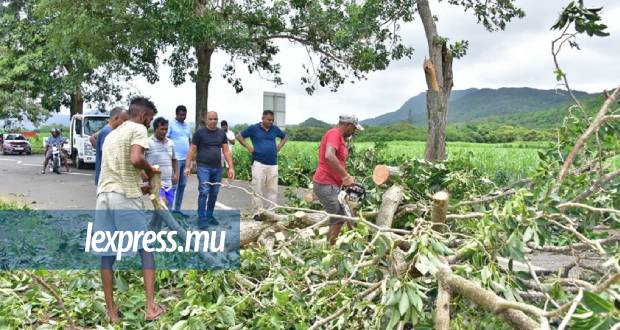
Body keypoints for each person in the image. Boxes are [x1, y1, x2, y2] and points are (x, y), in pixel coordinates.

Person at [94, 96, 165, 323]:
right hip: (124, 197)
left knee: (107, 253)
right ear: (143, 116)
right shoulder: (138, 129)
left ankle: (111, 312)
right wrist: (151, 169)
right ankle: (151, 308)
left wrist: (142, 183)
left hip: (104, 197)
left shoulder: (112, 134)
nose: (148, 124)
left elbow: (122, 168)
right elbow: (136, 159)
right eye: (149, 120)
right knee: (146, 247)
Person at [312, 115, 363, 245]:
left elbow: (337, 161)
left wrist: (346, 176)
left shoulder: (339, 137)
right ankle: (329, 249)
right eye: (354, 129)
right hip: (325, 183)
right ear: (347, 125)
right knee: (338, 217)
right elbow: (329, 156)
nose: (354, 132)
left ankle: (355, 241)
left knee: (345, 212)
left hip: (332, 183)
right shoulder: (334, 134)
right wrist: (345, 177)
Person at [184, 111, 234, 229]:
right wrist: (187, 166)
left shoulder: (221, 133)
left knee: (214, 193)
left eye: (215, 119)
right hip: (203, 167)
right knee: (204, 191)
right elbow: (192, 150)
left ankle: (210, 216)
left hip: (217, 168)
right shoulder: (200, 133)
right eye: (210, 119)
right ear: (206, 120)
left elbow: (226, 151)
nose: (213, 121)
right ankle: (202, 218)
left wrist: (231, 167)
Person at [236, 110, 288, 217]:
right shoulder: (254, 128)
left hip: (273, 163)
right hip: (258, 163)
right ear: (262, 118)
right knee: (257, 188)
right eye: (269, 120)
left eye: (272, 120)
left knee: (272, 190)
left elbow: (285, 137)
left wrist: (278, 147)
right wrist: (247, 146)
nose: (271, 122)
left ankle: (271, 212)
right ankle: (258, 212)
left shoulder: (274, 129)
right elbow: (239, 136)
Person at [145, 117, 179, 209]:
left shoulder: (170, 143)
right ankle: (171, 224)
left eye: (166, 129)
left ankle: (153, 224)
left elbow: (174, 160)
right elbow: (141, 160)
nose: (164, 131)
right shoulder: (148, 143)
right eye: (162, 129)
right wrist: (143, 174)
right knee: (162, 206)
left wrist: (176, 174)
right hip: (156, 182)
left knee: (167, 207)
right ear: (155, 129)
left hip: (169, 182)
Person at [90, 107, 128, 186]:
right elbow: (109, 156)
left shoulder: (107, 130)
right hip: (107, 179)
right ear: (116, 118)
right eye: (124, 121)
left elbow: (92, 138)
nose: (125, 124)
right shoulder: (108, 132)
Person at [167, 105, 192, 216]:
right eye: (181, 115)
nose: (182, 117)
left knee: (182, 185)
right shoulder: (171, 125)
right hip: (175, 160)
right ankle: (168, 211)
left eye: (184, 115)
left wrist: (192, 159)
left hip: (186, 160)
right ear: (176, 114)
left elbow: (190, 141)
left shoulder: (187, 126)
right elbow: (166, 139)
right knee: (173, 186)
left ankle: (177, 210)